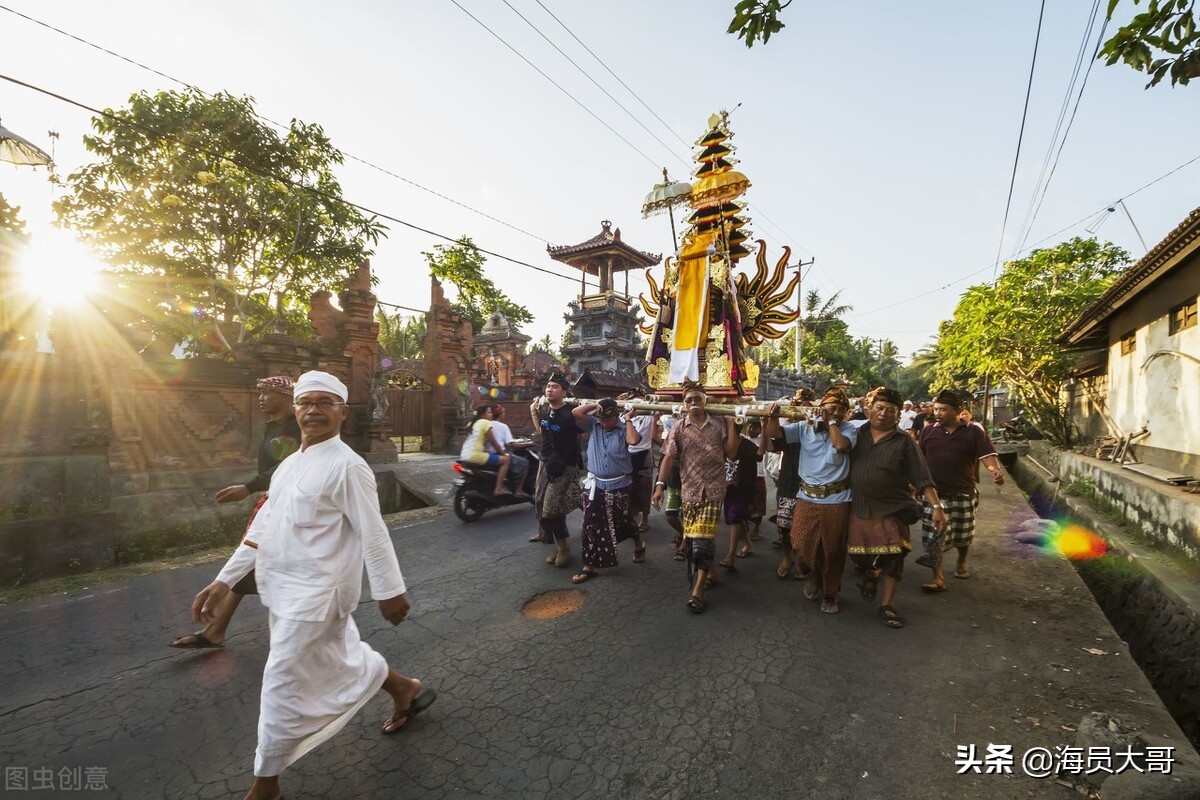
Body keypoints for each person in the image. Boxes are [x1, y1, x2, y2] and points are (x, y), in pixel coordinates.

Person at [188, 370, 435, 800]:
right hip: (281, 588)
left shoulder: (348, 466)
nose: (314, 410)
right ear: (296, 408)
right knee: (343, 657)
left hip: (319, 594)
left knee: (281, 679)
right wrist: (222, 579)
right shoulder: (288, 466)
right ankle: (404, 689)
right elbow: (261, 528)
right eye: (306, 402)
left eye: (325, 402)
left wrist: (388, 590)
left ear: (342, 411)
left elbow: (372, 531)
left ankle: (265, 785)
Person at [171, 376, 300, 650]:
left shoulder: (296, 428)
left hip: (291, 508)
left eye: (267, 393)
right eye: (259, 393)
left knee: (272, 567)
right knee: (250, 563)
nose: (261, 398)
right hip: (273, 502)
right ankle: (216, 630)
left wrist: (249, 487)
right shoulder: (274, 427)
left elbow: (287, 468)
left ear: (286, 396)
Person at [846, 387, 947, 629]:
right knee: (861, 558)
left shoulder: (904, 442)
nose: (883, 414)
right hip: (858, 507)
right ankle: (872, 573)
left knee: (894, 556)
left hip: (892, 508)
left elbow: (923, 477)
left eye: (890, 410)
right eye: (879, 408)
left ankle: (887, 604)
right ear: (870, 409)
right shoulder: (854, 433)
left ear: (898, 414)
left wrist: (936, 506)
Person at [765, 387, 862, 614]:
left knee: (833, 550)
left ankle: (829, 593)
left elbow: (841, 445)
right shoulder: (803, 427)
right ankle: (815, 575)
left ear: (846, 413)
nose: (836, 412)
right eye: (831, 408)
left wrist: (830, 423)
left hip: (837, 499)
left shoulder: (848, 428)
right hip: (806, 496)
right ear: (822, 407)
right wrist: (773, 416)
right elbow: (775, 435)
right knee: (800, 543)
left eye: (841, 409)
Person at [652, 381, 739, 614]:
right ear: (684, 403)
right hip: (689, 491)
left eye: (697, 399)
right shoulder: (679, 428)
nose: (693, 403)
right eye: (689, 400)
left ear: (705, 401)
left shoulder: (719, 424)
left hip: (713, 490)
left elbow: (731, 453)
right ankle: (714, 574)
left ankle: (698, 591)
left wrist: (731, 423)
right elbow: (668, 458)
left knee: (701, 542)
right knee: (693, 541)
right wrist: (659, 486)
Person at [916, 390, 1005, 591]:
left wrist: (995, 470)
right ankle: (938, 578)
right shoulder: (928, 432)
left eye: (943, 409)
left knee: (963, 534)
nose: (938, 413)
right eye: (936, 409)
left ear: (958, 411)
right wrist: (915, 484)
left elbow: (987, 455)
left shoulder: (973, 431)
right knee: (935, 534)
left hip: (963, 490)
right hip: (934, 493)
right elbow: (918, 460)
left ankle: (961, 561)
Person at [570, 398, 645, 582]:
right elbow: (576, 413)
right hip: (596, 485)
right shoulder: (594, 425)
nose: (604, 423)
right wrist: (596, 405)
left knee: (623, 521)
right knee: (590, 523)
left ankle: (638, 543)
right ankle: (589, 566)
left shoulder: (623, 429)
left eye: (608, 420)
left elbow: (634, 440)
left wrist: (627, 419)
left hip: (619, 485)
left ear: (615, 417)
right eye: (601, 419)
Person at [528, 373, 582, 567]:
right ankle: (558, 546)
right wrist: (533, 412)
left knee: (551, 507)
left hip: (565, 465)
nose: (550, 389)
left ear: (564, 392)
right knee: (540, 503)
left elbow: (583, 435)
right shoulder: (544, 410)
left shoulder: (571, 414)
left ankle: (564, 548)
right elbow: (542, 433)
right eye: (548, 386)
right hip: (545, 461)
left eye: (555, 387)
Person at [766, 389, 809, 580]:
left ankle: (804, 560)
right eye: (799, 403)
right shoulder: (793, 429)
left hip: (812, 487)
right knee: (784, 526)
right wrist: (772, 418)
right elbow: (771, 443)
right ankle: (787, 558)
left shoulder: (824, 429)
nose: (803, 407)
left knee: (805, 529)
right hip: (789, 483)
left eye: (808, 404)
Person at [718, 421, 759, 570]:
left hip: (742, 488)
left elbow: (757, 461)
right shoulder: (719, 443)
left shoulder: (748, 446)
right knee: (736, 517)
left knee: (735, 518)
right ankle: (748, 543)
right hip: (725, 487)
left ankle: (730, 556)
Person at [620, 391, 656, 533]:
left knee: (645, 489)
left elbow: (656, 408)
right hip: (627, 455)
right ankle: (628, 515)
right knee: (627, 488)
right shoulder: (622, 417)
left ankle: (645, 518)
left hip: (644, 454)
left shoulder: (648, 414)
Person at [460, 404, 512, 496]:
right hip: (475, 455)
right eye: (489, 412)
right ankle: (498, 489)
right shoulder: (485, 423)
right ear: (482, 415)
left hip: (464, 455)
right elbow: (493, 441)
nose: (491, 414)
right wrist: (503, 453)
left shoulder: (471, 424)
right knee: (506, 460)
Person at [654, 412, 686, 558]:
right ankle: (684, 533)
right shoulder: (669, 442)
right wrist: (659, 487)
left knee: (688, 515)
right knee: (671, 515)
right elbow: (655, 437)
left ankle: (685, 545)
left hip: (691, 484)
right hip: (674, 483)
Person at [487, 403, 532, 493]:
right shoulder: (503, 426)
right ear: (499, 415)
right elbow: (513, 445)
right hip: (499, 454)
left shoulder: (486, 424)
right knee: (525, 463)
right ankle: (519, 489)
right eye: (503, 413)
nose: (504, 415)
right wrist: (530, 443)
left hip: (488, 454)